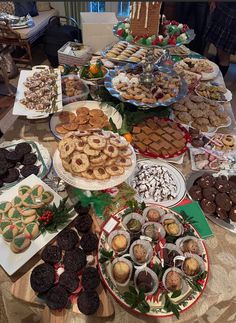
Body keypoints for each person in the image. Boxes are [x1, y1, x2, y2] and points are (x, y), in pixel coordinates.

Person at [204, 2, 236, 76]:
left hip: (232, 19)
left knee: (224, 56)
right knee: (219, 52)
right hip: (222, 11)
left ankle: (217, 84)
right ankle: (212, 79)